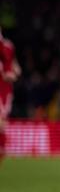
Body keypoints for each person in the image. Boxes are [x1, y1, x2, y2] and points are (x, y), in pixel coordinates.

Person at [0, 27, 21, 163]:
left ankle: (2, 150)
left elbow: (15, 67)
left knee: (2, 123)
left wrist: (15, 72)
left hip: (5, 91)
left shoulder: (8, 46)